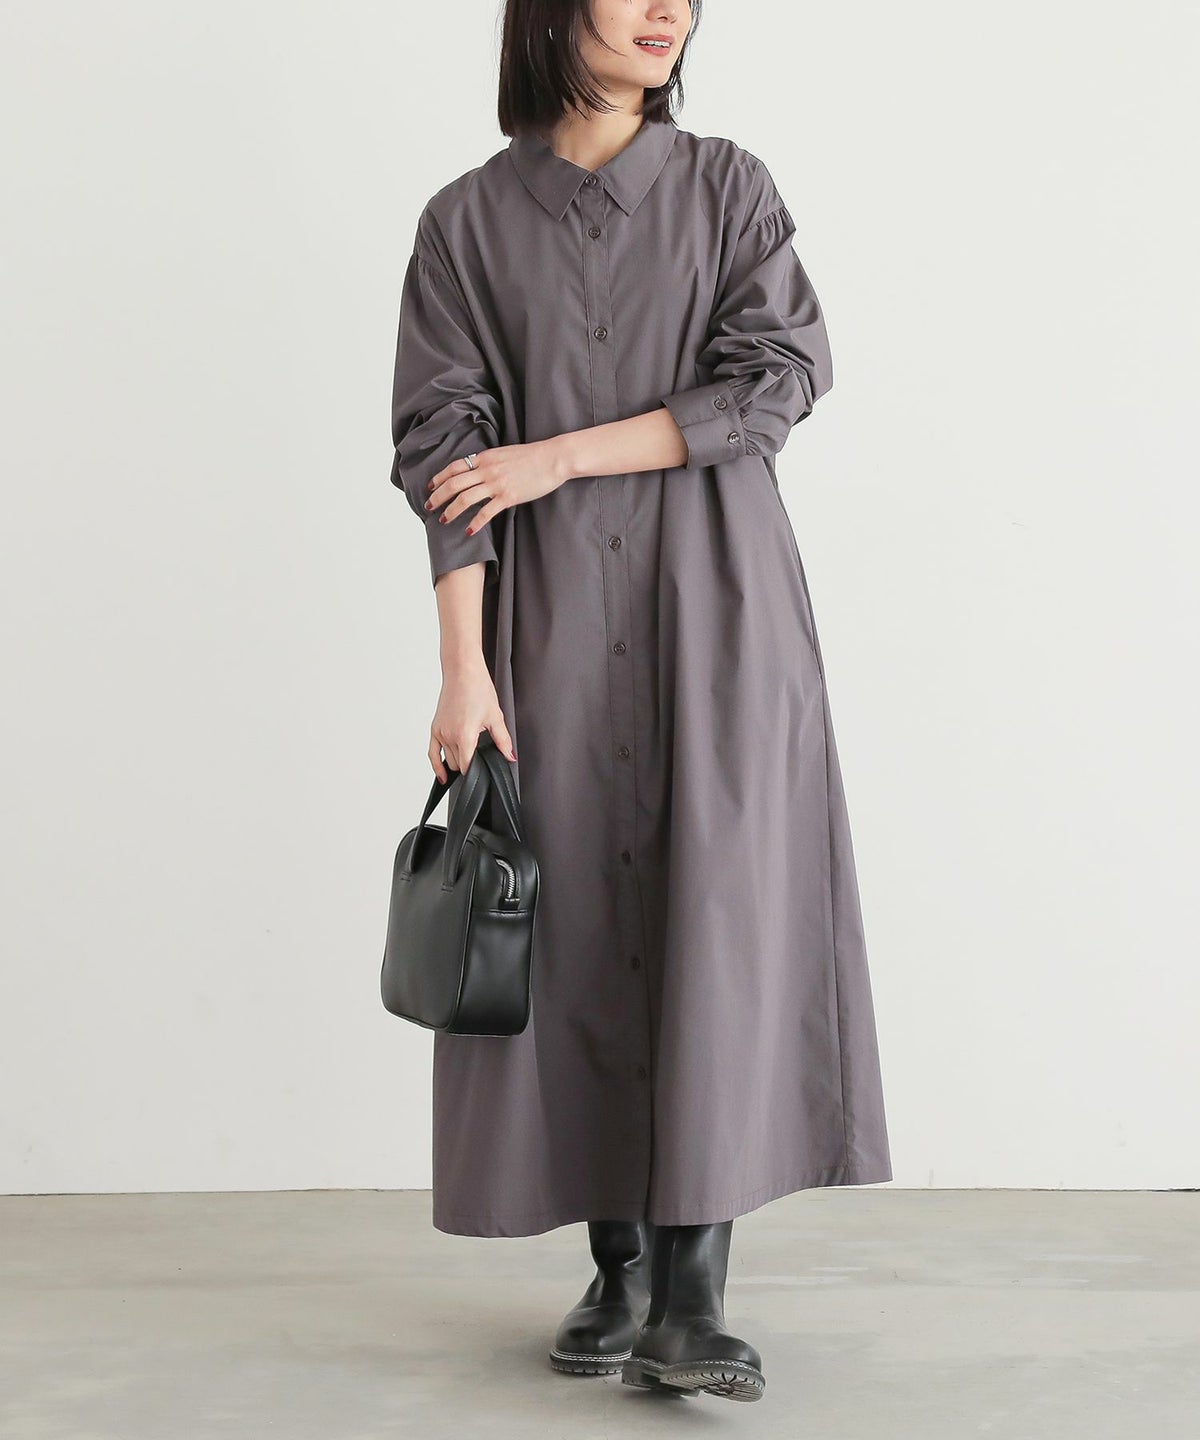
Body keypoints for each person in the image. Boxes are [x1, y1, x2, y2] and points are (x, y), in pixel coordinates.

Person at [388, 0, 892, 1405]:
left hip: (717, 609)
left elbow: (779, 378)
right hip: (544, 623)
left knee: (713, 916)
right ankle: (615, 1270)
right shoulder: (464, 224)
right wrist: (463, 665)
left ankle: (693, 1298)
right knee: (574, 924)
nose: (668, 8)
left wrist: (557, 458)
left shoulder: (728, 188)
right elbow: (441, 451)